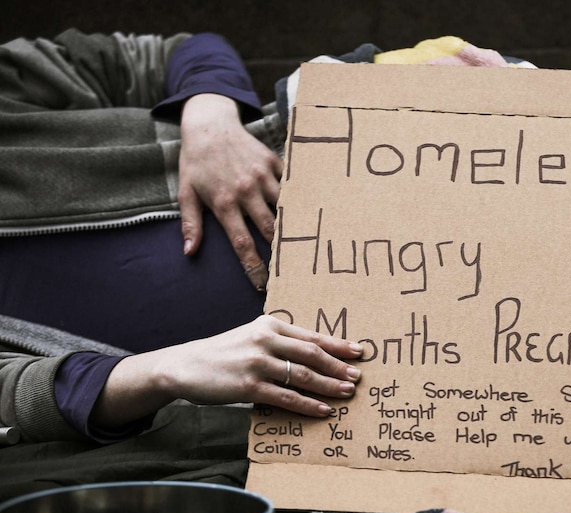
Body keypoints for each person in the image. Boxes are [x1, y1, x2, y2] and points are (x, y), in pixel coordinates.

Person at [0, 29, 364, 444]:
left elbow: (173, 52)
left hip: (364, 160)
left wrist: (210, 119)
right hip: (340, 403)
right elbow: (19, 400)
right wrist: (165, 371)